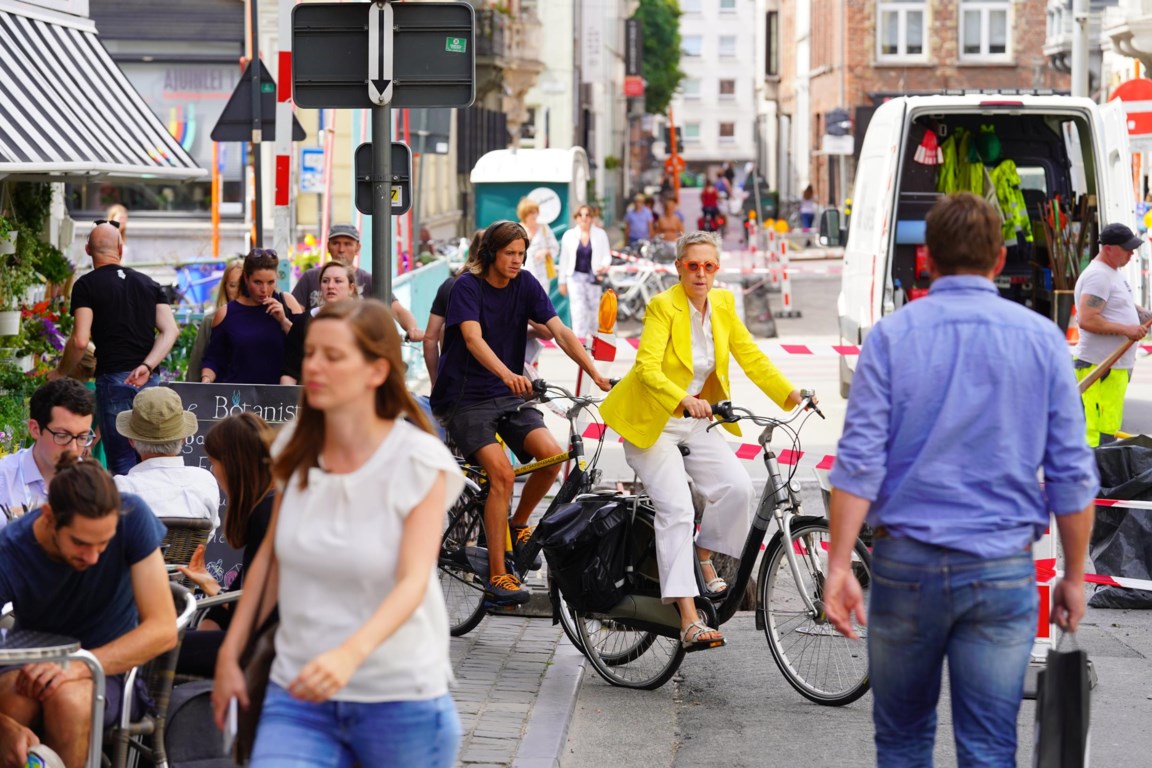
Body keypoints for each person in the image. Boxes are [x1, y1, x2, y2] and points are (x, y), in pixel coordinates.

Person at [823, 193, 1097, 766]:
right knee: (990, 746)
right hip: (1000, 570)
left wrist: (839, 565)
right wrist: (1073, 575)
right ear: (999, 259)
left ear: (927, 258)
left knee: (901, 743)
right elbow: (1072, 474)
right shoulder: (1043, 340)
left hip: (906, 568)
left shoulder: (891, 338)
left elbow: (859, 463)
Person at [212, 299, 465, 766]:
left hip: (399, 699)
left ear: (375, 371)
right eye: (310, 354)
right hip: (298, 692)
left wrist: (349, 655)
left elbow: (413, 581)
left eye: (333, 356)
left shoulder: (419, 461)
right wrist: (232, 652)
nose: (314, 367)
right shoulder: (294, 446)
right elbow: (270, 556)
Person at [600, 230, 806, 651]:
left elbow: (751, 356)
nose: (700, 273)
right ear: (678, 267)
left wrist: (793, 395)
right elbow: (645, 369)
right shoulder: (663, 306)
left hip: (695, 421)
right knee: (676, 509)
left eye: (708, 266)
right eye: (692, 265)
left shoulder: (725, 305)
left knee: (735, 488)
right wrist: (684, 399)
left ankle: (704, 556)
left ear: (717, 269)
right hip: (654, 423)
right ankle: (689, 618)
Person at [429, 221, 610, 604]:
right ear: (491, 253)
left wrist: (595, 372)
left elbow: (559, 331)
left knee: (551, 457)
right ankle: (498, 578)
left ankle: (517, 523)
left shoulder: (525, 283)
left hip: (509, 396)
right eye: (509, 253)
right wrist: (508, 374)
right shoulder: (467, 286)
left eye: (521, 254)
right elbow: (472, 339)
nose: (516, 260)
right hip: (465, 399)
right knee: (502, 475)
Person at [0, 457, 176, 768]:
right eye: (80, 543)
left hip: (111, 667)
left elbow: (163, 629)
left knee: (68, 699)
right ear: (49, 517)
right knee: (13, 702)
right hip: (28, 663)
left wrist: (81, 666)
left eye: (104, 544)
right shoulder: (10, 548)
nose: (93, 558)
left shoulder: (132, 516)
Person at [51, 222, 178, 476]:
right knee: (153, 461)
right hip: (148, 381)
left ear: (87, 249)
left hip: (112, 379)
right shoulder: (149, 284)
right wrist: (146, 366)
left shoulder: (85, 285)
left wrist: (61, 373)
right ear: (120, 248)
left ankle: (127, 515)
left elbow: (78, 341)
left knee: (121, 465)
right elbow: (170, 330)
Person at [175, 413, 275, 678]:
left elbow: (254, 609)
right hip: (267, 642)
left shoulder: (267, 514)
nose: (213, 471)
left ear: (232, 466)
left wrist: (210, 589)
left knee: (158, 649)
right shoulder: (272, 504)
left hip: (265, 650)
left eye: (213, 463)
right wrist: (210, 587)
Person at [1073, 222, 1152, 446]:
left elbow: (1124, 307)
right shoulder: (1099, 276)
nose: (1131, 253)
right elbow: (1087, 318)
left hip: (1112, 369)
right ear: (1108, 248)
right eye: (1126, 248)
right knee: (1097, 435)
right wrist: (1127, 329)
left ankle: (1101, 477)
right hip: (1099, 368)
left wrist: (1145, 316)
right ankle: (1093, 479)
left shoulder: (1112, 272)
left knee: (1107, 431)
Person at [113, 388, 220, 533]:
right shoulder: (205, 481)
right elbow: (208, 535)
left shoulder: (119, 488)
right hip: (191, 556)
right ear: (184, 438)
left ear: (131, 440)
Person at [292, 223, 424, 341]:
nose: (341, 249)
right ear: (328, 246)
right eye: (336, 243)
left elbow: (398, 311)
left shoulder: (370, 281)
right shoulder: (310, 277)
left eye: (348, 244)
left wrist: (412, 329)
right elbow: (295, 313)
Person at [200, 249, 303, 385]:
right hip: (236, 398)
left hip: (278, 399)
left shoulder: (287, 303)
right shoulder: (226, 313)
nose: (264, 289)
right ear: (246, 278)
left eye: (270, 282)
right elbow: (214, 358)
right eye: (258, 282)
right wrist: (205, 381)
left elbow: (305, 348)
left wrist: (283, 321)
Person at [0, 379, 94, 525]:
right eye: (62, 436)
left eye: (82, 437)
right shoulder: (4, 478)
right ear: (35, 429)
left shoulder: (91, 482)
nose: (74, 449)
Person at [281, 261, 359, 385]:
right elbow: (290, 372)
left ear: (351, 288)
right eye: (325, 281)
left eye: (338, 281)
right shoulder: (303, 321)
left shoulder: (363, 320)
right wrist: (287, 401)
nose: (330, 286)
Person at [558, 204, 612, 341]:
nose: (584, 218)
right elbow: (564, 259)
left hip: (593, 276)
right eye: (580, 215)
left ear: (591, 217)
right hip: (574, 276)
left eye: (587, 215)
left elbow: (607, 255)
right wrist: (562, 281)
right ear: (576, 218)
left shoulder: (600, 234)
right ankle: (579, 342)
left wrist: (603, 265)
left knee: (593, 310)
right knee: (578, 310)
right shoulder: (569, 235)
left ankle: (594, 340)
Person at [186, 258, 243, 382]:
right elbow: (197, 363)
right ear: (225, 287)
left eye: (242, 285)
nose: (238, 291)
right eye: (233, 285)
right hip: (217, 394)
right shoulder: (210, 320)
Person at [518, 197, 560, 287]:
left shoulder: (544, 228)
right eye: (530, 213)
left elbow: (555, 247)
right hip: (522, 273)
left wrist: (545, 251)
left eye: (535, 212)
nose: (534, 215)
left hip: (542, 275)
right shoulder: (517, 229)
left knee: (541, 299)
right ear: (524, 214)